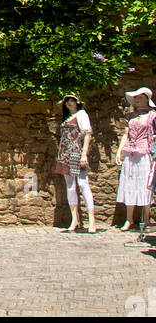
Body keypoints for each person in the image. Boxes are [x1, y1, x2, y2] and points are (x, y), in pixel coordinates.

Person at [55, 94, 97, 234]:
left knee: (84, 184)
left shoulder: (81, 114)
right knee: (70, 186)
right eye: (67, 102)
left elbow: (87, 133)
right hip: (65, 154)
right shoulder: (66, 118)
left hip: (76, 153)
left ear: (77, 103)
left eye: (72, 101)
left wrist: (84, 153)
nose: (69, 104)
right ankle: (75, 219)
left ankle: (92, 219)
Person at [116, 87, 156, 232]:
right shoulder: (131, 116)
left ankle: (145, 219)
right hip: (131, 153)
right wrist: (120, 150)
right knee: (130, 183)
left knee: (145, 183)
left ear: (146, 98)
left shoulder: (152, 115)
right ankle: (129, 218)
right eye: (136, 98)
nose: (137, 100)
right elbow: (126, 134)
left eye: (140, 97)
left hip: (145, 152)